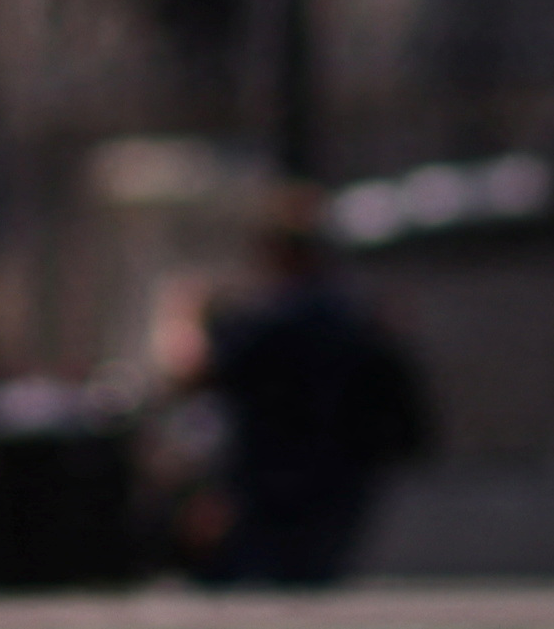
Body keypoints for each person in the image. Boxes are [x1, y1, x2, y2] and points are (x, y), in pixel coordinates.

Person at [186, 202, 437, 588]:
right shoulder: (358, 318)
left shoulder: (267, 322)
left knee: (257, 585)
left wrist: (189, 316)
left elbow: (198, 374)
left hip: (271, 479)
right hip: (343, 474)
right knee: (314, 582)